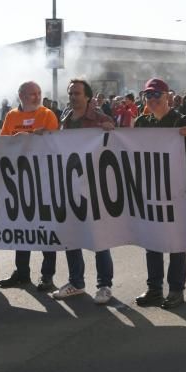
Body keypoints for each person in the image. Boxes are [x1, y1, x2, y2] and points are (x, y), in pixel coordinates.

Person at [50, 78, 116, 303]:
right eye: (70, 93)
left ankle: (104, 285)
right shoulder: (66, 118)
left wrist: (110, 129)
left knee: (99, 238)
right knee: (72, 236)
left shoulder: (99, 118)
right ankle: (76, 282)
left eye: (77, 93)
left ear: (87, 96)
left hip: (95, 187)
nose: (72, 97)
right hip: (71, 186)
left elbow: (115, 145)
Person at [133, 78, 186, 309]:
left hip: (176, 189)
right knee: (152, 241)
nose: (151, 100)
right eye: (147, 95)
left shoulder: (180, 119)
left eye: (156, 95)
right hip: (150, 189)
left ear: (167, 96)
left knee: (175, 241)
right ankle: (154, 289)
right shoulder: (141, 122)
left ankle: (177, 290)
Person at [0, 80, 61, 292]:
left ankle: (47, 276)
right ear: (21, 95)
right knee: (21, 229)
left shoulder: (47, 114)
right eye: (32, 94)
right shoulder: (12, 116)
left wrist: (36, 137)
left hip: (42, 179)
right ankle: (22, 273)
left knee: (44, 230)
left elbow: (54, 143)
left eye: (39, 93)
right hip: (18, 180)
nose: (37, 97)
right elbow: (4, 142)